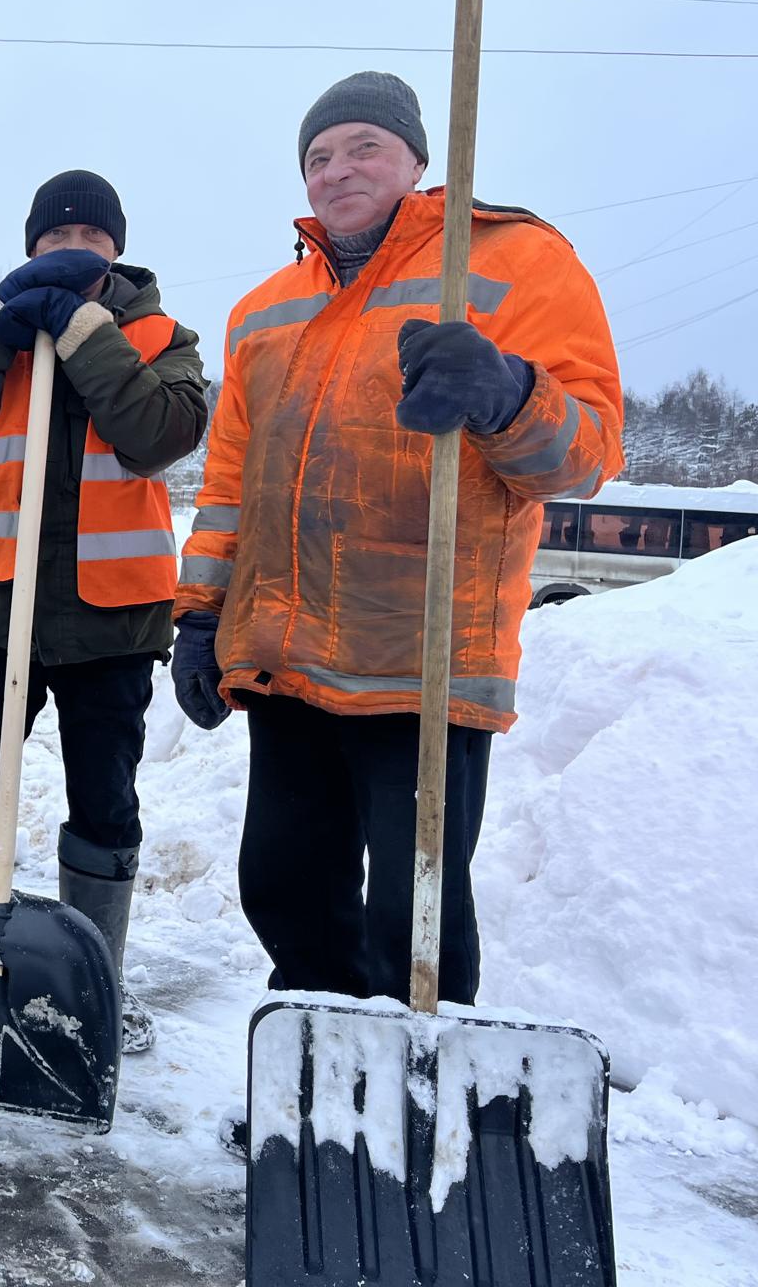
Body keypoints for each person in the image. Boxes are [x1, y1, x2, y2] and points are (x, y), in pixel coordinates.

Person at [173, 71, 624, 1020]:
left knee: (416, 923)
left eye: (362, 147)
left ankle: (417, 1109)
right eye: (318, 157)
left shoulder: (511, 261)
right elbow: (228, 485)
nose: (337, 171)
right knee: (285, 889)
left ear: (417, 158)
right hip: (286, 656)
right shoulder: (264, 309)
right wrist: (201, 615)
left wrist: (506, 392)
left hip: (423, 658)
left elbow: (584, 453)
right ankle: (319, 1092)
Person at [0, 171, 209, 1052]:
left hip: (114, 619)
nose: (72, 245)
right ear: (32, 244)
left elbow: (159, 434)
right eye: (55, 234)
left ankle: (93, 979)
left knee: (104, 800)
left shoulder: (160, 336)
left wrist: (81, 331)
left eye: (90, 233)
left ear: (117, 246)